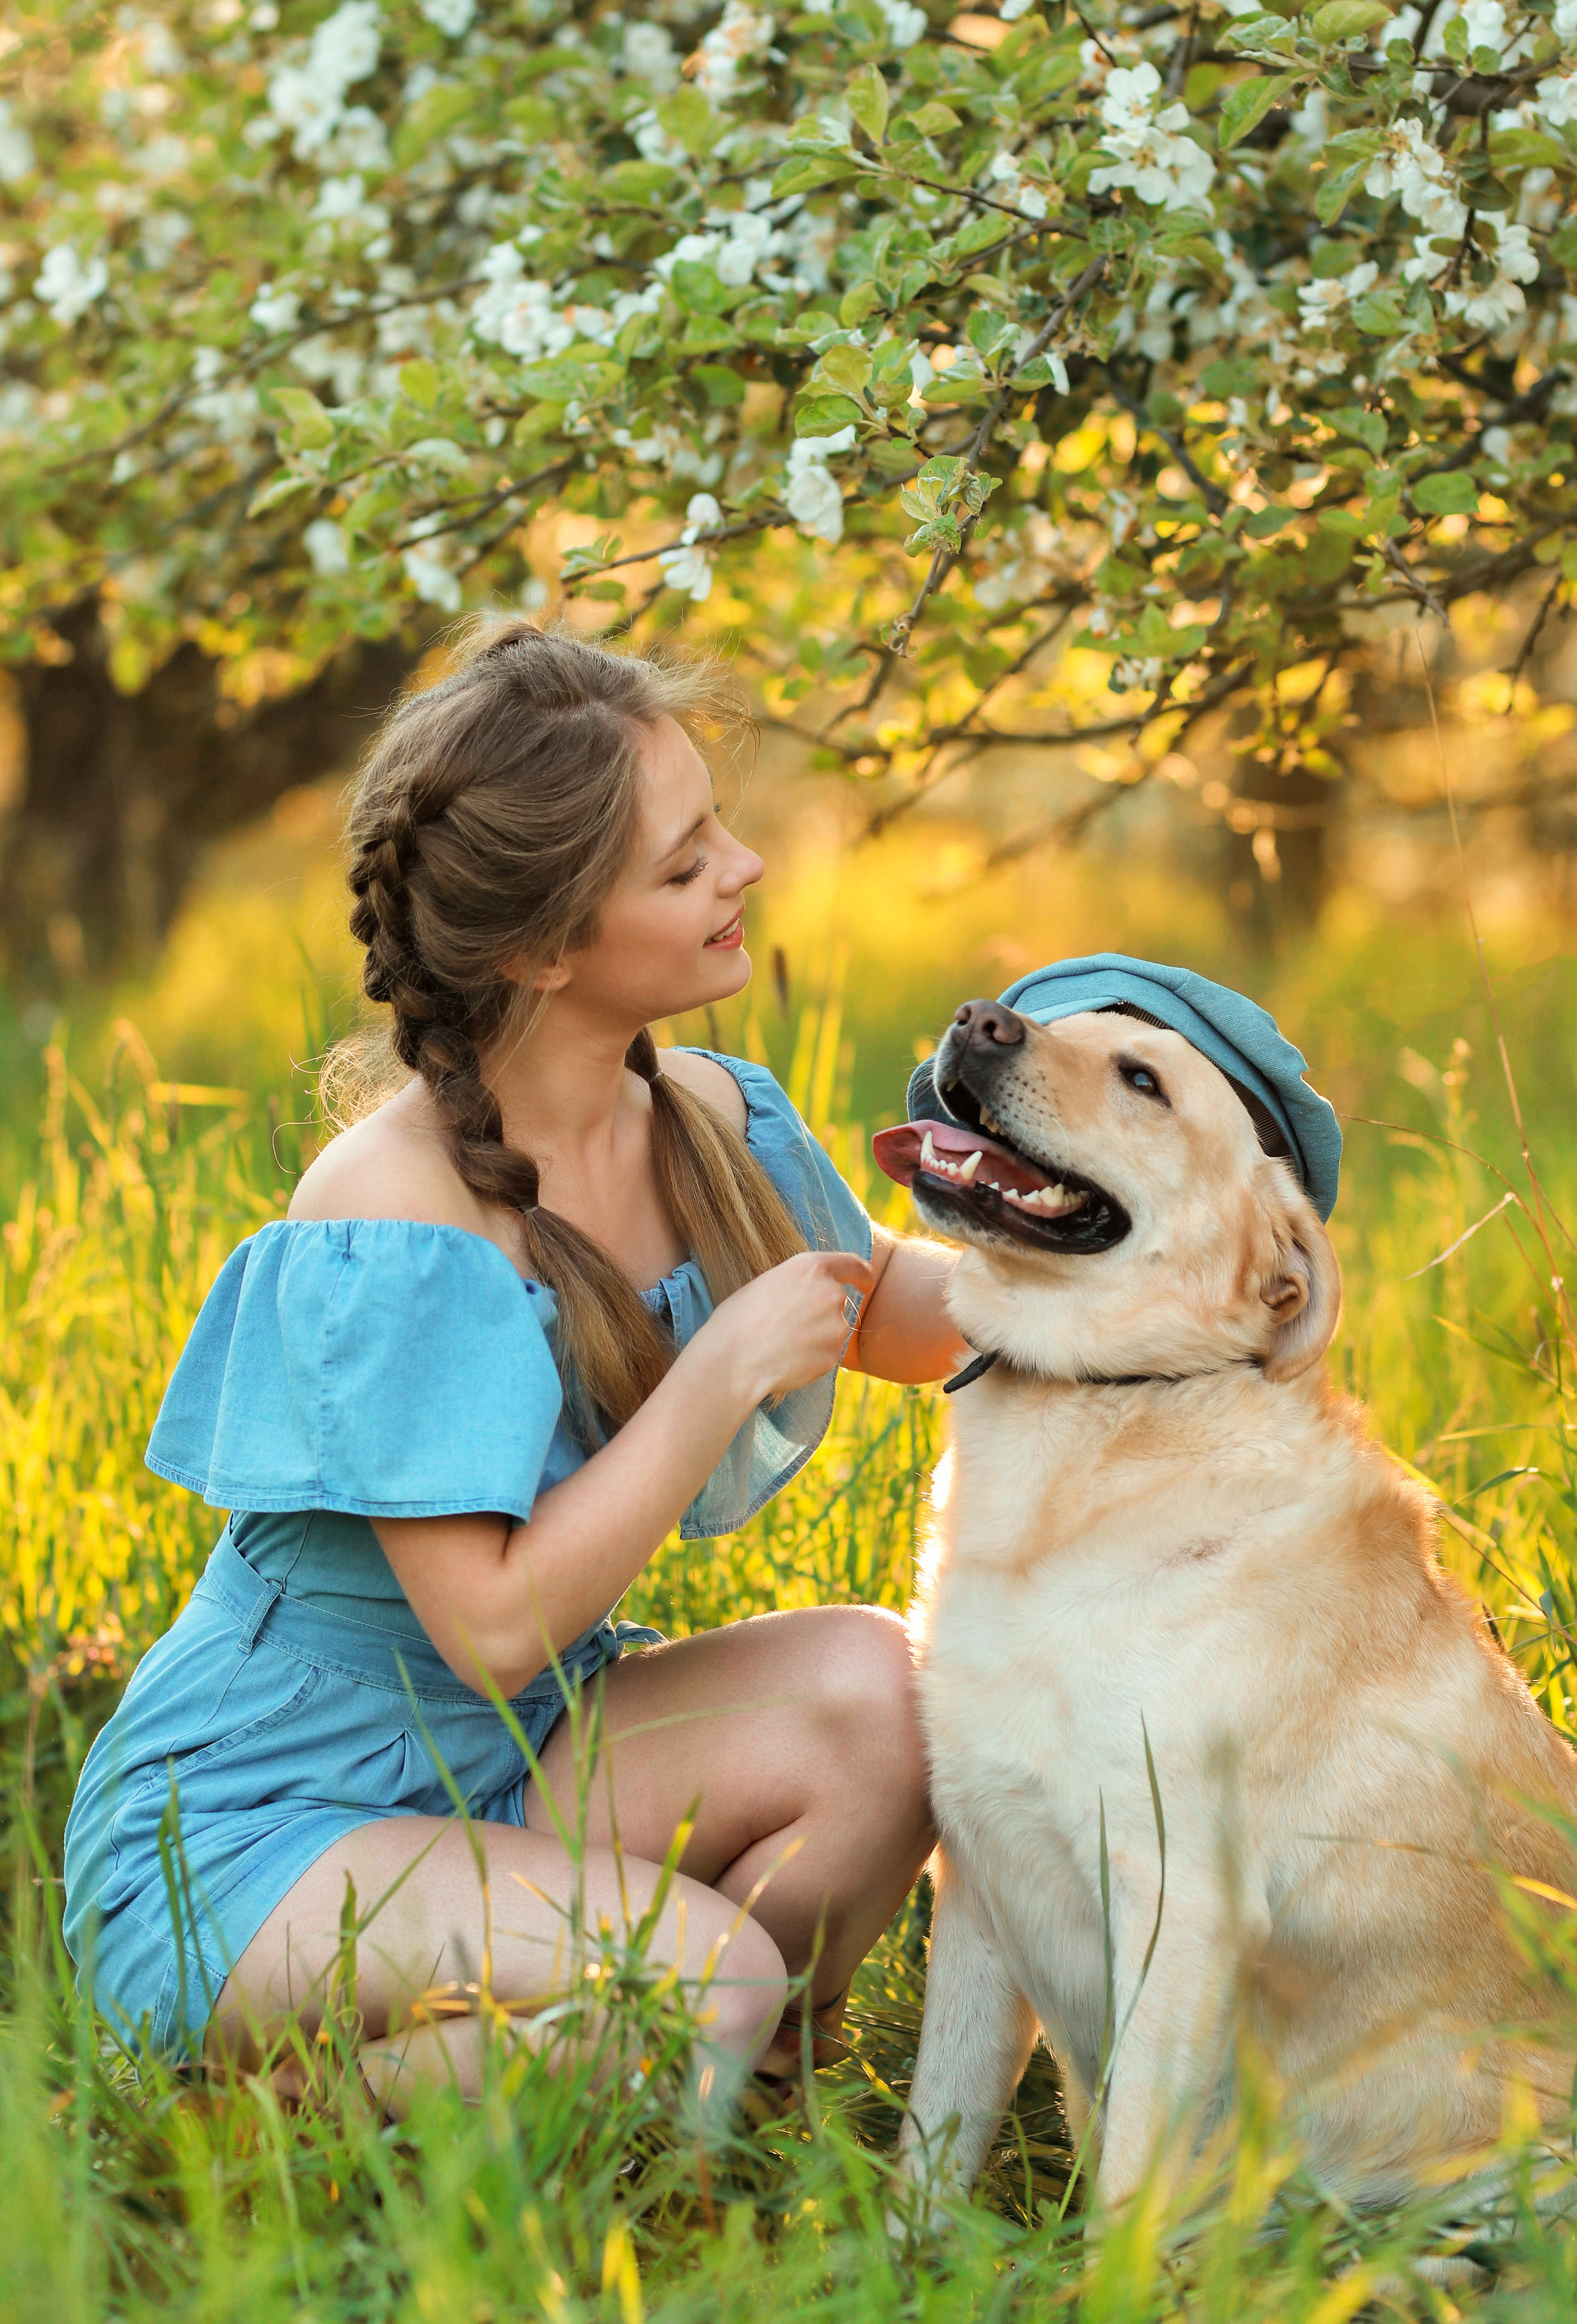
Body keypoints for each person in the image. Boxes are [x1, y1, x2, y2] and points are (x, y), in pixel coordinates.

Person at [62, 619, 963, 2115]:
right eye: (682, 866)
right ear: (544, 948)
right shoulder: (394, 1213)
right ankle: (241, 2135)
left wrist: (1138, 1267)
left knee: (885, 1691)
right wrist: (711, 1378)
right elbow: (486, 1628)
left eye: (718, 830)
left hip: (525, 1757)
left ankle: (715, 2094)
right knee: (702, 1985)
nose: (742, 870)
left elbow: (894, 1313)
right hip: (267, 1824)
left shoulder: (703, 1118)